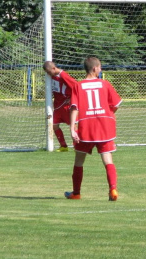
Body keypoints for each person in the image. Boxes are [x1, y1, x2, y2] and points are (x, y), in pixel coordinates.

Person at [65, 57, 122, 201]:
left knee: (79, 161)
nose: (101, 69)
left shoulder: (78, 86)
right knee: (108, 159)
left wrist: (72, 128)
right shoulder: (105, 84)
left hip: (86, 128)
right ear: (95, 68)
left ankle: (76, 193)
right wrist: (107, 115)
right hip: (104, 127)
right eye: (100, 67)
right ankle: (113, 189)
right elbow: (115, 105)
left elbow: (74, 108)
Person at [43, 61, 78, 152]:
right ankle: (63, 146)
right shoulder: (52, 76)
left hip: (66, 106)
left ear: (54, 68)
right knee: (54, 125)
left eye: (49, 72)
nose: (48, 74)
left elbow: (76, 86)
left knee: (73, 126)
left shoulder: (63, 75)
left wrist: (71, 98)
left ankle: (76, 146)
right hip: (58, 105)